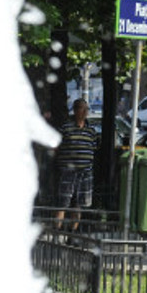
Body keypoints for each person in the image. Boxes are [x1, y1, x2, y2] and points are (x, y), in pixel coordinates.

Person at [55, 98, 99, 231]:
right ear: (75, 110)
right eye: (82, 108)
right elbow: (56, 147)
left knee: (79, 204)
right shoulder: (65, 128)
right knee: (63, 202)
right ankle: (56, 232)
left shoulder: (91, 130)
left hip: (85, 172)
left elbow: (94, 147)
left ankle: (73, 234)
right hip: (68, 172)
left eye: (87, 109)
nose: (85, 112)